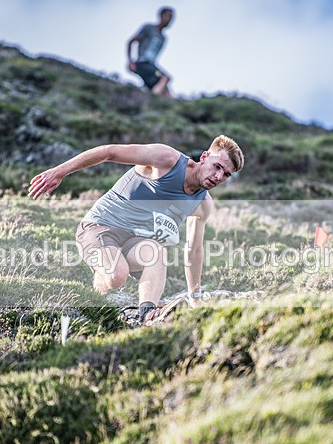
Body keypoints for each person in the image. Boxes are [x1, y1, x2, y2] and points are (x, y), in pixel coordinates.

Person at [29, 135, 244, 323]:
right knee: (116, 276)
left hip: (135, 242)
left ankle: (148, 313)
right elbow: (110, 152)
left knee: (157, 251)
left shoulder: (202, 204)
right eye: (217, 167)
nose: (218, 177)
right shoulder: (166, 159)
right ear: (205, 157)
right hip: (100, 226)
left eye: (226, 174)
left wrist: (195, 298)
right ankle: (96, 286)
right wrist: (59, 172)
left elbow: (194, 251)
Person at [127, 7, 174, 97]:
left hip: (151, 66)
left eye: (171, 18)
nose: (170, 20)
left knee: (166, 91)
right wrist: (130, 61)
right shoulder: (149, 29)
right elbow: (131, 41)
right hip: (143, 63)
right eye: (168, 16)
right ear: (161, 15)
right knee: (165, 78)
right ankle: (152, 100)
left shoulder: (163, 38)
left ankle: (164, 108)